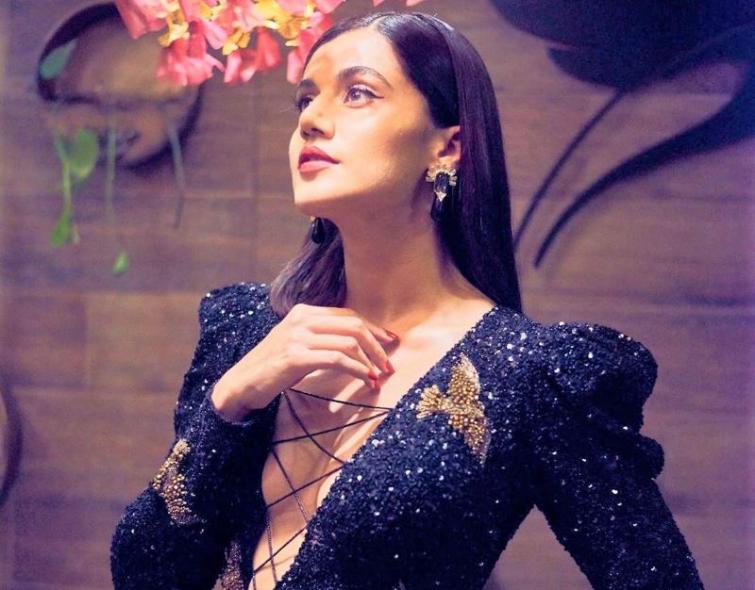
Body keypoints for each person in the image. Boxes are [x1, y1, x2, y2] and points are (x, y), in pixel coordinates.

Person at [110, 11, 705, 590]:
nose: (312, 119)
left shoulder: (526, 375)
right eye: (305, 99)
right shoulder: (245, 332)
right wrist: (231, 401)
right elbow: (144, 572)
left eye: (358, 93)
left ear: (448, 147)